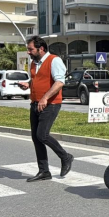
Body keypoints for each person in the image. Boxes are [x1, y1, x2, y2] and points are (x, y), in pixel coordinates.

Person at [17, 36, 74, 182]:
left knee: (42, 135)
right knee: (36, 138)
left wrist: (45, 98)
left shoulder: (54, 60)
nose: (28, 52)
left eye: (30, 49)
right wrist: (28, 84)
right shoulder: (34, 63)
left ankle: (65, 156)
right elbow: (37, 80)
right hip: (35, 103)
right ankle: (44, 171)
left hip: (51, 104)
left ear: (41, 48)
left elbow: (59, 82)